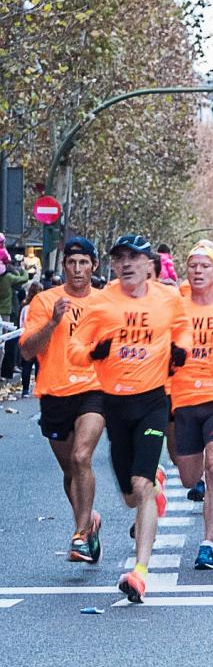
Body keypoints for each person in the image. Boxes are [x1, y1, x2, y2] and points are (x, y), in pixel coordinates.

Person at [68, 234, 190, 603]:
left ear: (149, 264)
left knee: (140, 487)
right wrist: (92, 351)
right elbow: (74, 348)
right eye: (119, 258)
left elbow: (181, 325)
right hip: (115, 404)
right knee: (127, 496)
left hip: (153, 400)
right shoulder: (103, 302)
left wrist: (180, 349)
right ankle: (152, 483)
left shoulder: (167, 298)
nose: (125, 264)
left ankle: (139, 572)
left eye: (133, 258)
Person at [20, 238, 105, 564]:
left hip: (94, 390)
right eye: (72, 263)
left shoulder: (106, 301)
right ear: (64, 266)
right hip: (55, 393)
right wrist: (54, 321)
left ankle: (80, 536)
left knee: (83, 456)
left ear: (93, 266)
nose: (78, 269)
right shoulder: (45, 301)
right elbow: (27, 350)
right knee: (70, 470)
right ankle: (91, 521)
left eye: (84, 263)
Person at [169, 242, 213, 570]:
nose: (197, 271)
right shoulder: (174, 309)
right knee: (188, 477)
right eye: (192, 266)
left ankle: (207, 543)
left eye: (204, 266)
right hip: (183, 399)